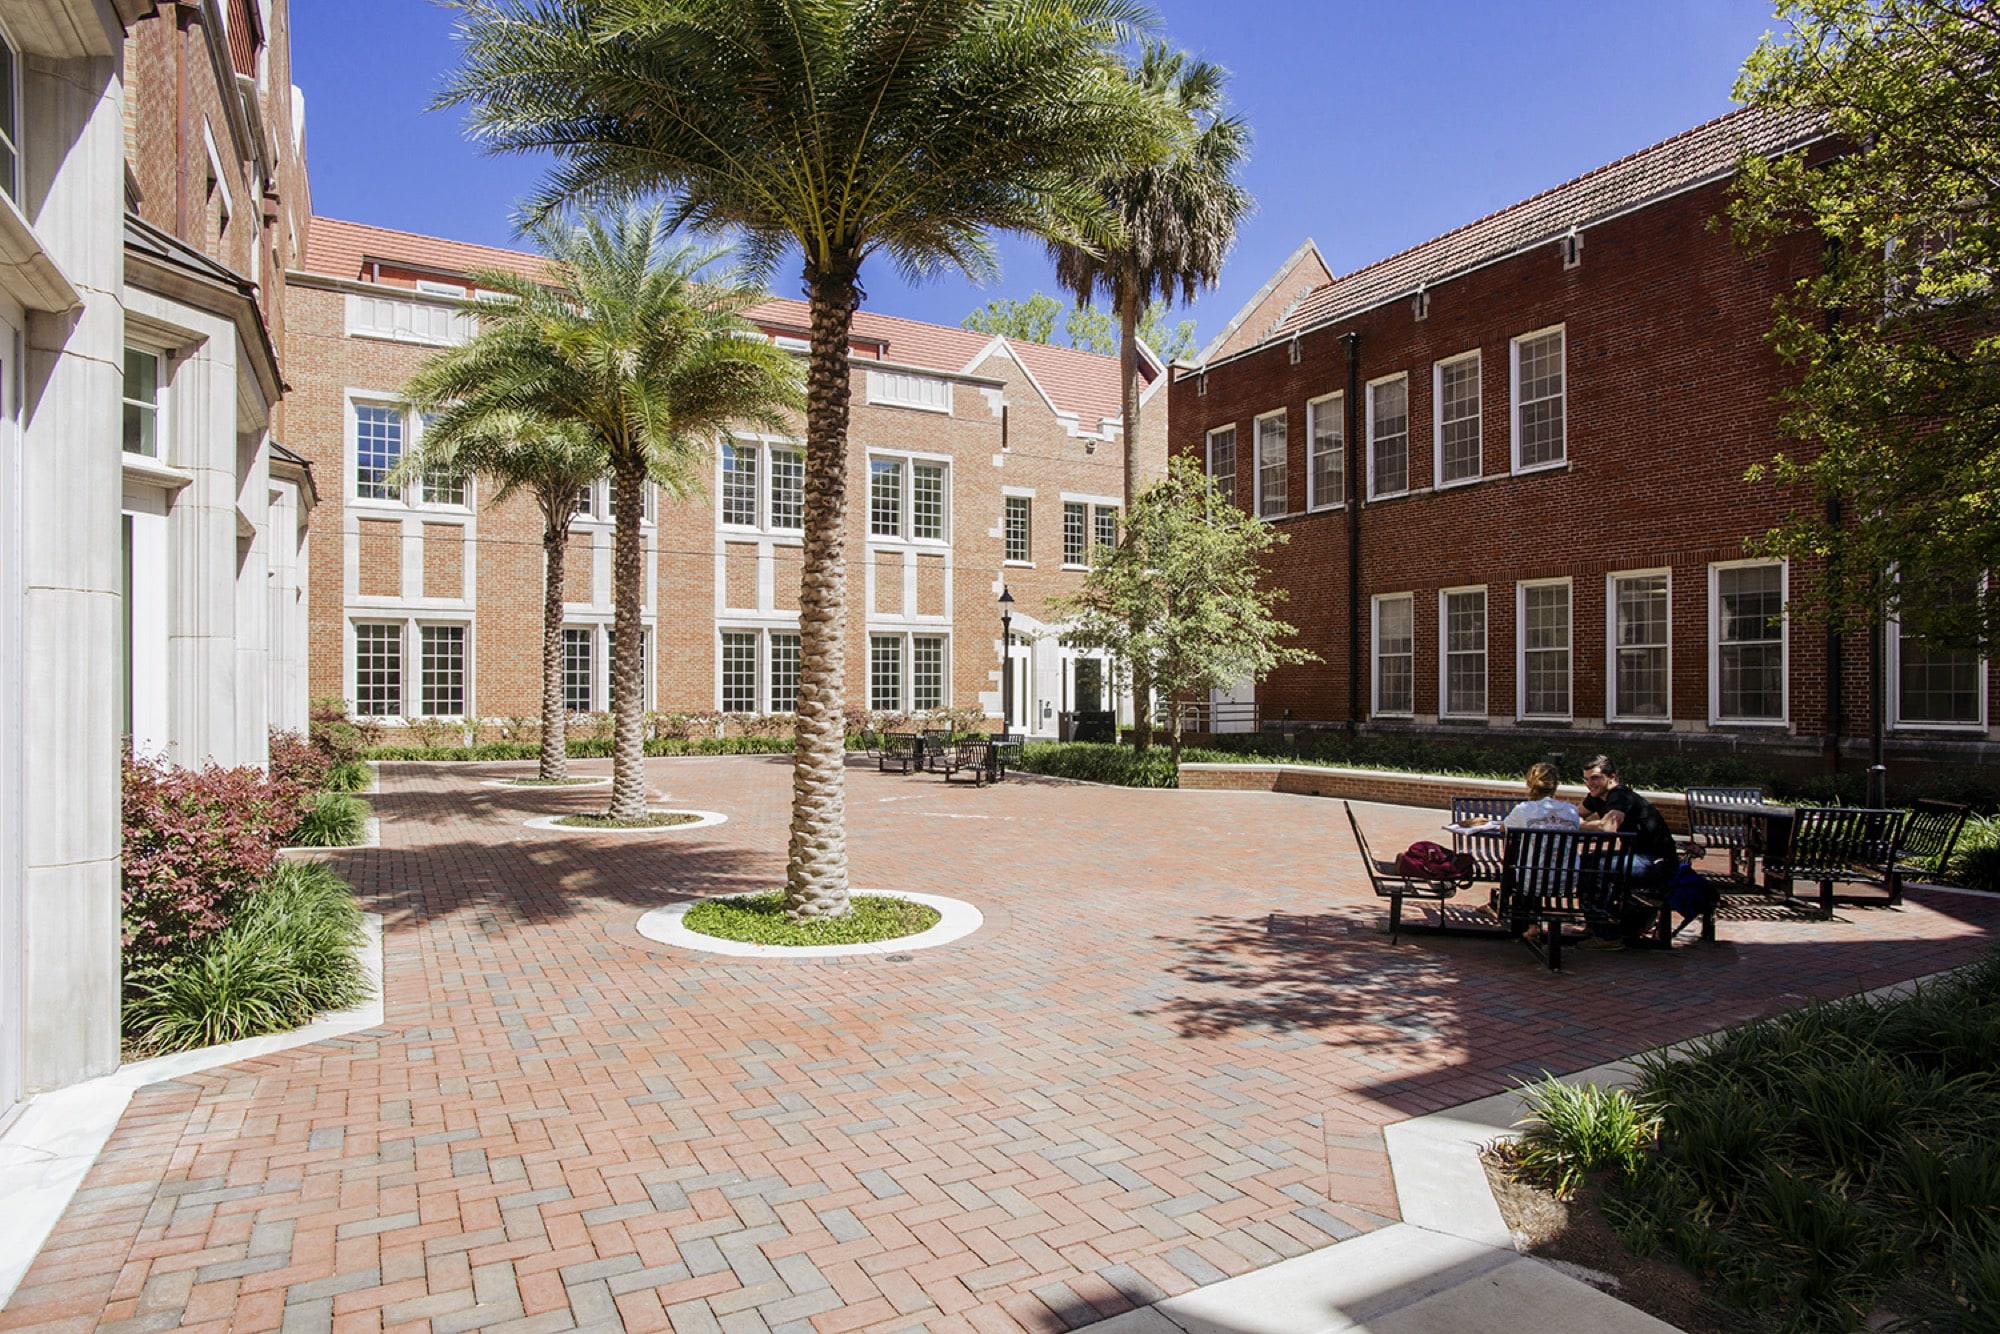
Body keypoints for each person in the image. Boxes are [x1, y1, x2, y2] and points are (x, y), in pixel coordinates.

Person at [1578, 754, 1680, 948]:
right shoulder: (1596, 796)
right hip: (1636, 858)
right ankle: (1600, 924)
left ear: (1612, 778)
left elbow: (1608, 827)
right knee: (1587, 861)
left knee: (1595, 867)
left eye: (1595, 778)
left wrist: (1581, 825)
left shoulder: (1619, 795)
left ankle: (1608, 934)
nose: (1590, 784)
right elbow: (1573, 815)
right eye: (1587, 779)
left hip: (1656, 863)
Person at [1503, 762, 1581, 832]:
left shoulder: (1523, 809)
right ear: (1556, 785)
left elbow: (1503, 828)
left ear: (1529, 784)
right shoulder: (1572, 811)